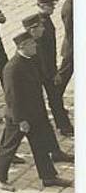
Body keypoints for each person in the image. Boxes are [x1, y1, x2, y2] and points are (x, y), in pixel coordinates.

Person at [0, 32, 72, 192]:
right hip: (19, 117)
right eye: (32, 44)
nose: (35, 46)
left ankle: (48, 177)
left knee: (40, 145)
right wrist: (21, 120)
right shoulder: (12, 68)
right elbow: (12, 98)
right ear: (22, 47)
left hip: (35, 114)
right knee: (9, 147)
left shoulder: (31, 60)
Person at [20, 14, 74, 164]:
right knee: (15, 130)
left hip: (41, 83)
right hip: (27, 97)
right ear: (32, 30)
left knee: (43, 122)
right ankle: (7, 157)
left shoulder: (37, 42)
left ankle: (55, 152)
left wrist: (53, 73)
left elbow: (47, 58)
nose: (44, 29)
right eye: (40, 27)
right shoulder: (26, 48)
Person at [35, 0, 73, 136]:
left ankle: (63, 126)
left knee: (54, 98)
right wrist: (53, 73)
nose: (53, 8)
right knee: (54, 98)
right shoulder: (41, 24)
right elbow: (44, 54)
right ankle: (63, 127)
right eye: (50, 5)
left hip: (46, 68)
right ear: (41, 5)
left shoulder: (45, 20)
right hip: (44, 70)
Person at [54, 0, 74, 128]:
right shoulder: (69, 7)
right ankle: (55, 99)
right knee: (63, 76)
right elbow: (70, 31)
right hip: (73, 49)